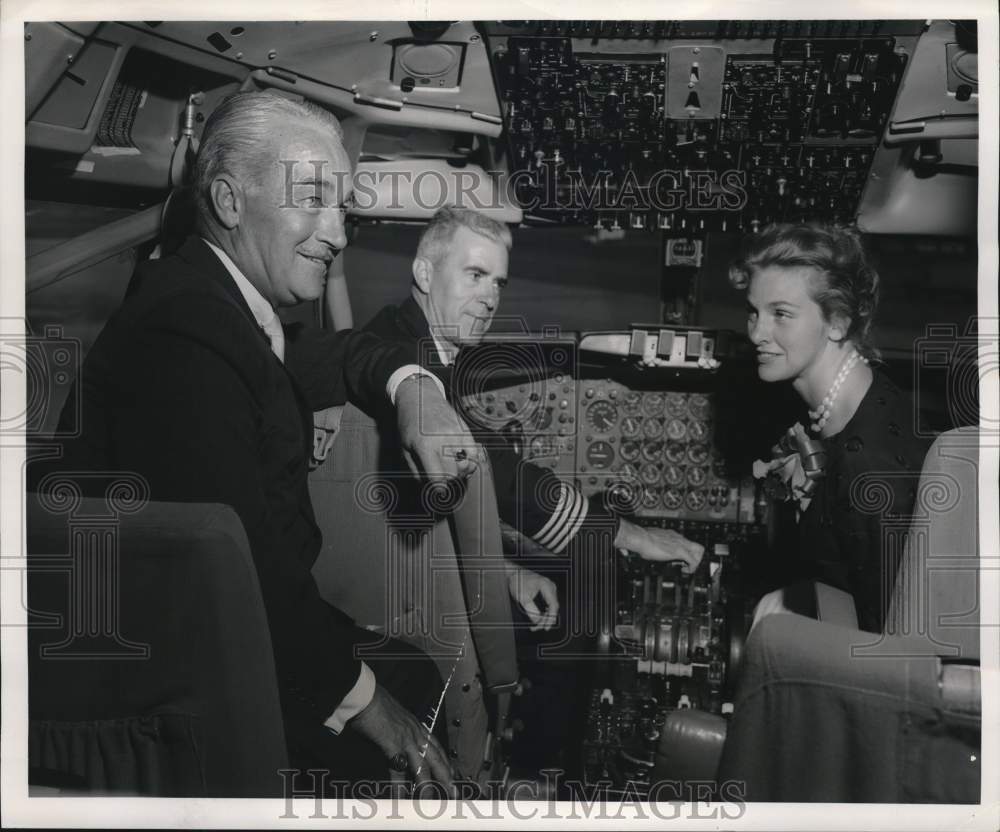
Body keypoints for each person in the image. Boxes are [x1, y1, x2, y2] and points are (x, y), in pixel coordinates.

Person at [42, 91, 485, 789]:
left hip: (215, 623)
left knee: (414, 668)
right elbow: (238, 580)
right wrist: (374, 711)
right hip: (165, 671)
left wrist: (411, 387)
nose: (336, 233)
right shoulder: (183, 335)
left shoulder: (219, 305)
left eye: (342, 208)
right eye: (311, 199)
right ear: (227, 200)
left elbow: (337, 356)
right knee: (398, 703)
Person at [362, 208, 705, 595]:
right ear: (425, 274)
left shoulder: (407, 337)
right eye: (475, 275)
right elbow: (505, 480)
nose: (490, 299)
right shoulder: (401, 355)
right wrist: (637, 538)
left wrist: (509, 573)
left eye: (499, 283)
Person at [729, 223, 932, 633]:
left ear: (837, 322)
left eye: (780, 314)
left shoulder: (869, 467)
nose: (756, 333)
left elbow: (889, 639)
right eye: (754, 311)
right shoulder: (848, 397)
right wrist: (803, 595)